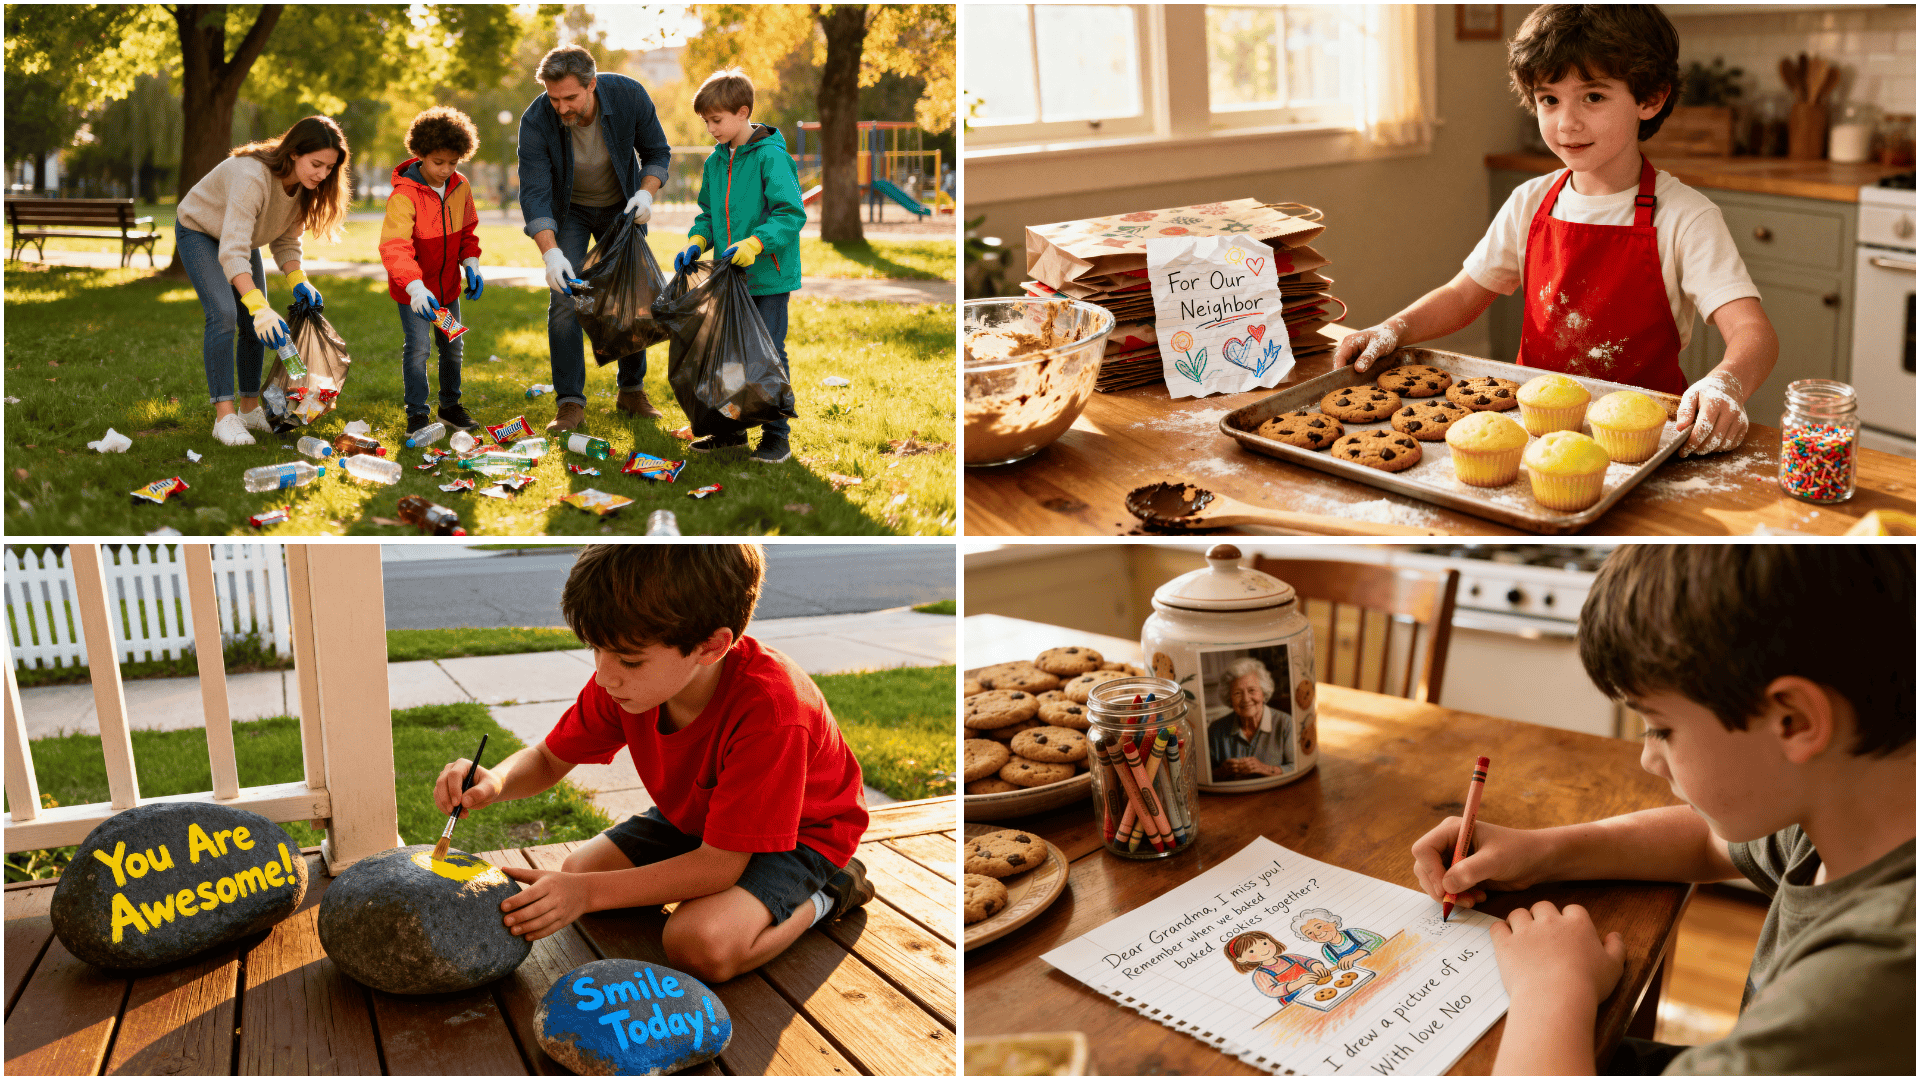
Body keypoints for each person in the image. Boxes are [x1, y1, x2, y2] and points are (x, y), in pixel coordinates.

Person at [1409, 545, 1913, 1074]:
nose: (1649, 758)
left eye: (1662, 729)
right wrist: (1542, 851)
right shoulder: (1843, 819)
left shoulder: (1871, 980)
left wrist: (1552, 989)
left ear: (1793, 720)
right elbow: (1708, 841)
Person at [1334, 5, 1778, 458]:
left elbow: (1754, 334)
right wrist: (1394, 327)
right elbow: (1464, 294)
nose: (1567, 123)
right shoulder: (1531, 201)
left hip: (1644, 440)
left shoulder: (1686, 217)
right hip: (1536, 433)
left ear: (1651, 98)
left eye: (1593, 97)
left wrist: (1727, 382)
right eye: (1550, 99)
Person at [431, 545, 874, 984]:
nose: (604, 676)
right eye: (595, 650)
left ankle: (829, 893)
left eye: (629, 660)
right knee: (580, 871)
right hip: (702, 818)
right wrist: (496, 781)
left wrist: (586, 896)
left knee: (699, 944)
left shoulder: (773, 713)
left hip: (801, 834)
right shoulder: (627, 683)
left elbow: (720, 865)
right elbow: (548, 759)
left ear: (711, 646)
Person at [517, 44, 673, 434]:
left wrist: (646, 193)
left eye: (570, 97)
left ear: (592, 85)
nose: (562, 107)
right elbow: (534, 191)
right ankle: (569, 402)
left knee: (632, 298)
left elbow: (657, 151)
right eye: (555, 99)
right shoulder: (536, 119)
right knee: (565, 298)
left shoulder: (628, 95)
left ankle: (632, 390)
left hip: (623, 206)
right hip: (570, 211)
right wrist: (551, 254)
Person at [174, 115, 348, 446]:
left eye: (329, 168)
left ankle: (249, 409)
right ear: (294, 152)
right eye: (317, 164)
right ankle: (224, 417)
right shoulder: (252, 176)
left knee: (255, 326)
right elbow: (232, 251)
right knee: (225, 314)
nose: (323, 175)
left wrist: (299, 279)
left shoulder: (304, 184)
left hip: (240, 240)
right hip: (200, 229)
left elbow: (285, 240)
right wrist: (258, 306)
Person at [673, 67, 807, 464]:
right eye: (707, 121)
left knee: (766, 356)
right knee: (726, 354)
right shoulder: (716, 162)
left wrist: (756, 243)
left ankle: (776, 435)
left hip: (768, 277)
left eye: (716, 120)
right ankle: (730, 431)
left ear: (743, 112)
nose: (711, 128)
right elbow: (708, 215)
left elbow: (790, 213)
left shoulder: (771, 157)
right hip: (729, 278)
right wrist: (698, 242)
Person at [380, 106, 484, 438]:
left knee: (453, 346)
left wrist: (471, 263)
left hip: (447, 289)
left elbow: (468, 231)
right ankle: (417, 414)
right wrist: (414, 287)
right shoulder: (404, 195)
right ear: (421, 154)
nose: (446, 170)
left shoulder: (460, 187)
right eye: (438, 162)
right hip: (415, 294)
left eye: (453, 163)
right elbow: (395, 247)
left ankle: (450, 407)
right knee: (419, 349)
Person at [1207, 657, 1294, 780]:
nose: (1246, 699)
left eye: (1252, 690)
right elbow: (1205, 774)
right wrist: (1222, 772)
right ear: (1229, 698)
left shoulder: (1285, 723)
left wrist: (1266, 769)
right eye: (1237, 693)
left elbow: (1296, 766)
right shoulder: (1216, 729)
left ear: (1263, 693)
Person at [1224, 931, 1330, 1005]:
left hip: (1318, 988)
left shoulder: (1288, 958)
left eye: (1264, 943)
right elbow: (1272, 991)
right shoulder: (1261, 975)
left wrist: (1317, 966)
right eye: (1252, 951)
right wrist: (1299, 983)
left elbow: (1307, 961)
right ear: (1241, 959)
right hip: (1295, 1000)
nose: (1263, 950)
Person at [1292, 909, 1385, 970]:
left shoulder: (1353, 933)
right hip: (1366, 970)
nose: (1317, 933)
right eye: (1309, 933)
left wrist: (1352, 957)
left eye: (1319, 926)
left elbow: (1378, 940)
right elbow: (1342, 967)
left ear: (1333, 922)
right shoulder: (1327, 950)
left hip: (1381, 959)